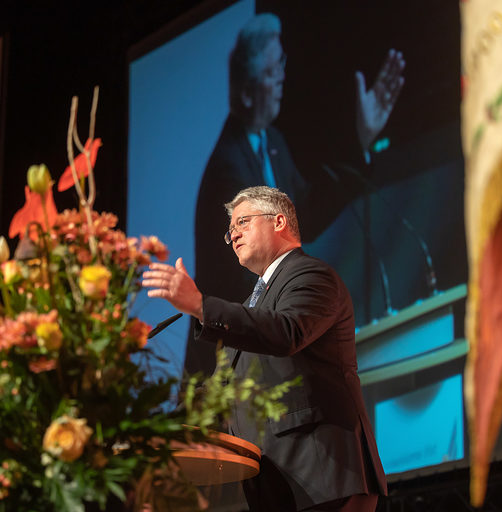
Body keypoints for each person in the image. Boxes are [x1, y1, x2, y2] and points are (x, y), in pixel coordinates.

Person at [143, 186, 387, 511]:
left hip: (324, 476)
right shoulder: (253, 306)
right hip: (275, 485)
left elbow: (286, 333)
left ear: (279, 221)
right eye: (231, 231)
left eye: (242, 222)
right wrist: (150, 428)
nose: (234, 235)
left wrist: (201, 306)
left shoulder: (312, 276)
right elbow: (219, 392)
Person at [191, 12, 405, 374]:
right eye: (273, 72)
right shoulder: (229, 168)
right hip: (228, 365)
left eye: (282, 65)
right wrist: (300, 315)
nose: (282, 79)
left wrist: (361, 144)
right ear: (246, 90)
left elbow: (304, 210)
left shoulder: (271, 142)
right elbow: (245, 271)